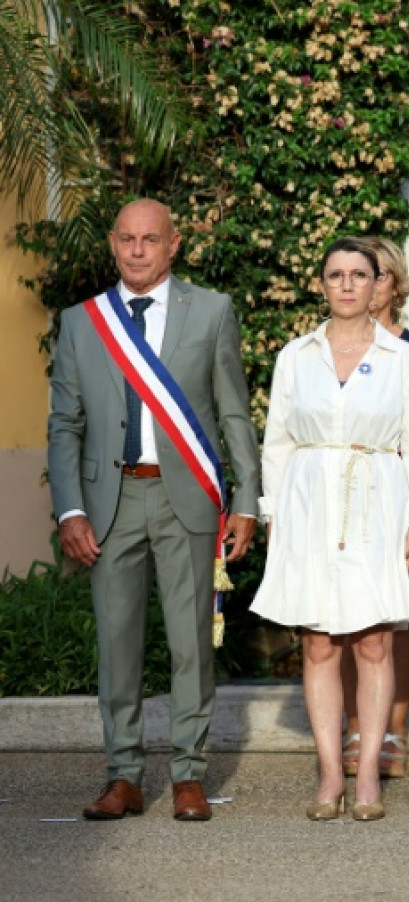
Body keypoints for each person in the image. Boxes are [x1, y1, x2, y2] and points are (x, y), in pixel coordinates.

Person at [48, 198, 261, 822]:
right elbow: (64, 425)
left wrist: (245, 498)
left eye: (150, 239)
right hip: (108, 503)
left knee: (191, 643)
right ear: (113, 245)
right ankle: (124, 776)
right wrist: (69, 511)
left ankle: (190, 775)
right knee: (117, 645)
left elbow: (232, 413)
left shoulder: (212, 311)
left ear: (173, 245)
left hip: (185, 499)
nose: (137, 250)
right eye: (126, 240)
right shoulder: (83, 322)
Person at [251, 237, 409, 821]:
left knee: (374, 640)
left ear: (376, 284)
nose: (346, 284)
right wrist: (275, 516)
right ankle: (330, 775)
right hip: (310, 505)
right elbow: (277, 443)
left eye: (358, 275)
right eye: (335, 274)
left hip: (378, 502)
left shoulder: (401, 358)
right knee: (317, 642)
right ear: (322, 283)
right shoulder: (295, 356)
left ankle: (367, 779)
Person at [334, 236, 409, 782]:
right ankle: (354, 728)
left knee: (398, 618)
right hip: (346, 500)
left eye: (376, 277)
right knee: (346, 617)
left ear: (392, 284)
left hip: (400, 496)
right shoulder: (328, 346)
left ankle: (392, 728)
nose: (365, 288)